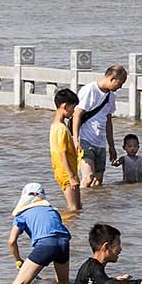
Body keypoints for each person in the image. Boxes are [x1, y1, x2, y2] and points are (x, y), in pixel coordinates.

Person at [9, 183, 73, 284]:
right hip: (64, 243)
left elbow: (12, 241)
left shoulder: (22, 214)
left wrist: (18, 259)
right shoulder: (52, 210)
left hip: (46, 244)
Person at [73, 65, 127, 187]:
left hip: (100, 142)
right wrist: (76, 140)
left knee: (98, 181)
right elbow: (77, 114)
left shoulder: (110, 96)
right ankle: (78, 203)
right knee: (88, 177)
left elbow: (108, 121)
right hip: (85, 139)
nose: (121, 87)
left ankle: (94, 205)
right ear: (112, 79)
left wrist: (111, 146)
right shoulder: (89, 90)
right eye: (120, 83)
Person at [48, 88, 84, 216]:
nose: (74, 112)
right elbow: (62, 153)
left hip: (66, 171)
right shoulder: (61, 129)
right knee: (73, 209)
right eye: (73, 108)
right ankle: (67, 229)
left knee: (78, 207)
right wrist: (71, 177)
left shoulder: (55, 126)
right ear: (65, 106)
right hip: (66, 174)